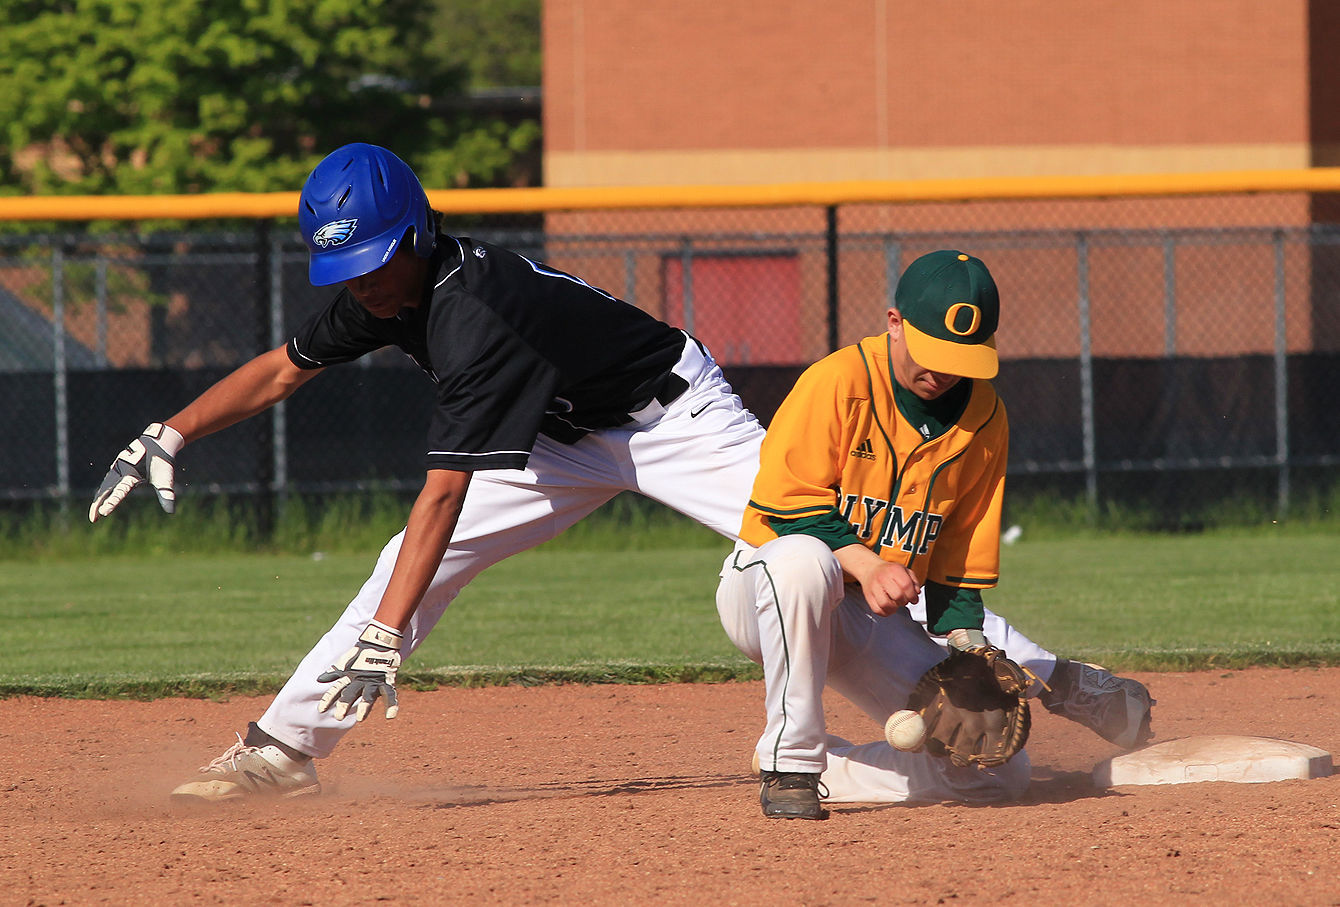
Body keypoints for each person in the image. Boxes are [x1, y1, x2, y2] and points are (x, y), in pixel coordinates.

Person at [89, 145, 1149, 805]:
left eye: (370, 263)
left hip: (669, 416)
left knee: (824, 544)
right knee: (397, 575)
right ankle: (282, 748)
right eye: (343, 270)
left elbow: (442, 494)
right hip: (556, 435)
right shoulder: (381, 292)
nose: (358, 288)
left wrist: (385, 639)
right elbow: (282, 366)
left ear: (414, 236)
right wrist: (171, 430)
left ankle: (1061, 681)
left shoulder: (474, 313)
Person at [715, 250, 1151, 820]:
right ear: (894, 322)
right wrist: (867, 565)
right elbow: (784, 505)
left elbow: (957, 557)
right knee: (805, 562)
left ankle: (829, 765)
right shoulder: (837, 381)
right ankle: (791, 760)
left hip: (870, 621)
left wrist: (968, 646)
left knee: (992, 774)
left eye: (960, 357)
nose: (941, 371)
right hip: (769, 590)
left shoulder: (984, 417)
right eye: (931, 352)